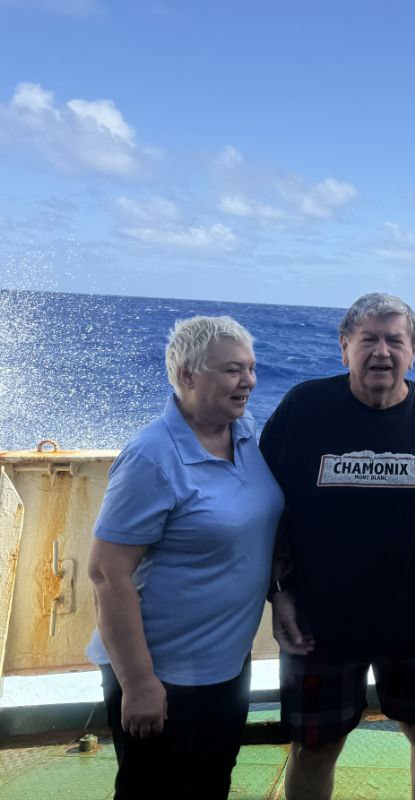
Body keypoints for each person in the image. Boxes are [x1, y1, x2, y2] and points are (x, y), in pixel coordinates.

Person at [260, 293, 415, 800]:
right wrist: (277, 592)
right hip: (320, 622)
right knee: (314, 748)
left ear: (414, 350)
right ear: (344, 347)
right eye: (368, 339)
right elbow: (266, 507)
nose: (381, 351)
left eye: (394, 340)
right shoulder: (303, 408)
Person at [87, 316, 283, 800]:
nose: (249, 381)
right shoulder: (152, 458)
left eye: (251, 368)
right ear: (186, 375)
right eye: (233, 370)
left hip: (226, 665)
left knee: (211, 784)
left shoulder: (242, 432)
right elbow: (107, 574)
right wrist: (139, 683)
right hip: (163, 672)